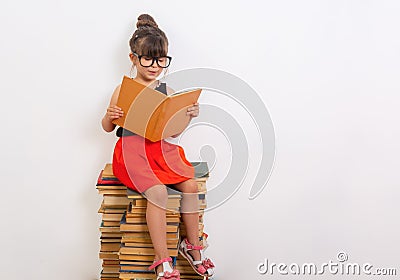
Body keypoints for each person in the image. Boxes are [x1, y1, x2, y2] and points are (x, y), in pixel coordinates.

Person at [101, 14, 215, 280]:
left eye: (161, 59)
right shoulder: (123, 89)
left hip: (158, 149)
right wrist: (109, 116)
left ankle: (193, 248)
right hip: (131, 151)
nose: (155, 65)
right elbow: (107, 127)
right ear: (133, 58)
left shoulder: (166, 89)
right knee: (158, 193)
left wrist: (186, 116)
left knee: (189, 184)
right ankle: (162, 259)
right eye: (148, 59)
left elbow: (172, 132)